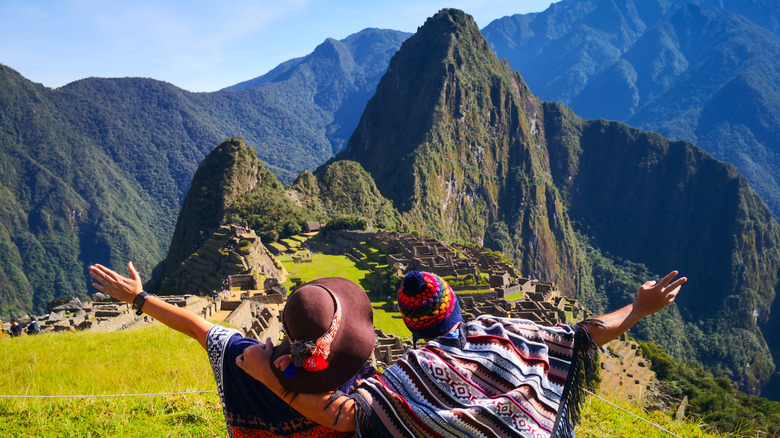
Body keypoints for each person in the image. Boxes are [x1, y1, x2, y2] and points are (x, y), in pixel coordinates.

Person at [237, 270, 687, 437]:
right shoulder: (511, 332)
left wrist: (267, 375)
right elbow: (584, 335)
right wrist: (639, 308)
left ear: (412, 327)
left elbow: (345, 416)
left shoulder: (412, 371)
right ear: (455, 304)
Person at [89, 262, 376, 438]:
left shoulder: (242, 361)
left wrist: (138, 297)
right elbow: (358, 418)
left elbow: (195, 327)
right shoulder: (360, 388)